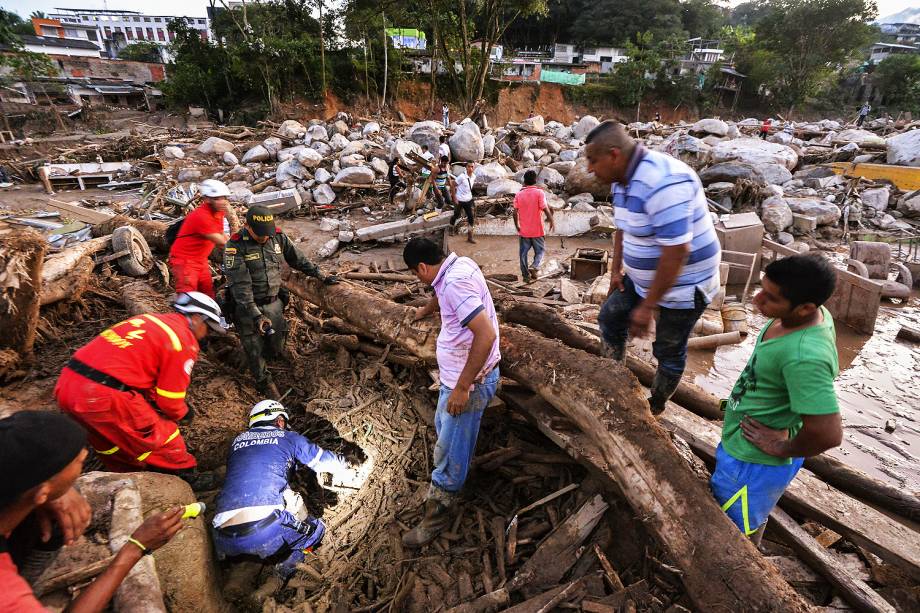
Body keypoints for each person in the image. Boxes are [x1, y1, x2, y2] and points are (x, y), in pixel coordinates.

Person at [586, 121, 720, 414]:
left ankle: (655, 405)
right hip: (641, 278)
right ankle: (613, 384)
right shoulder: (622, 181)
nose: (588, 169)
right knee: (610, 316)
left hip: (685, 284)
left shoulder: (663, 182)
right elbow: (622, 228)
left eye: (592, 160)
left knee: (668, 348)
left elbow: (677, 252)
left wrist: (647, 308)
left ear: (614, 155)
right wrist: (616, 270)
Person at [0, 411, 187, 613]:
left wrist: (56, 493)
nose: (85, 455)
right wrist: (135, 547)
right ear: (40, 491)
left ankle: (28, 583)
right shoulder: (8, 597)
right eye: (77, 461)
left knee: (63, 510)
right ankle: (29, 595)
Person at [711, 254, 842, 543]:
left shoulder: (805, 357)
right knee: (745, 512)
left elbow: (828, 433)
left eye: (770, 298)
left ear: (806, 307)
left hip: (753, 462)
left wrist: (783, 447)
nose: (757, 300)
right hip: (747, 444)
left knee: (732, 527)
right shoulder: (806, 317)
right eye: (761, 288)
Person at [55, 292, 226, 478]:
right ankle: (188, 477)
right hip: (103, 396)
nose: (206, 334)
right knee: (163, 435)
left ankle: (128, 477)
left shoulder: (146, 320)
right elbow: (170, 401)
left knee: (108, 442)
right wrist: (184, 414)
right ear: (196, 318)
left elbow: (136, 366)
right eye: (208, 328)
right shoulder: (182, 341)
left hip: (67, 385)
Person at [402, 238, 500, 547]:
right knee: (447, 434)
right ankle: (451, 478)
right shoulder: (458, 265)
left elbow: (486, 334)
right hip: (457, 379)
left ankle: (436, 517)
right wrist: (426, 310)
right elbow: (441, 294)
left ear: (422, 267)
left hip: (469, 384)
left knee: (449, 453)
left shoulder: (455, 283)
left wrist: (461, 388)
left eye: (416, 274)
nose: (419, 280)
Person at [212, 400, 356, 582]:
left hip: (221, 537)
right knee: (316, 530)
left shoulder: (236, 442)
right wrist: (350, 463)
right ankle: (280, 576)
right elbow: (324, 462)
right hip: (264, 529)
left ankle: (242, 566)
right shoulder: (288, 437)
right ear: (280, 421)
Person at [223, 206, 338, 399]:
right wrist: (256, 315)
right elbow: (241, 287)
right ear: (247, 227)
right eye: (260, 234)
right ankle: (263, 383)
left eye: (267, 233)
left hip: (274, 303)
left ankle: (274, 359)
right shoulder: (235, 247)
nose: (265, 238)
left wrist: (320, 275)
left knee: (276, 341)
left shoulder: (277, 237)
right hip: (247, 307)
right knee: (253, 347)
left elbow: (298, 259)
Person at [168, 179, 231, 298]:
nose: (222, 202)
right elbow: (222, 243)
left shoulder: (218, 212)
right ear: (207, 199)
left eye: (224, 198)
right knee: (188, 297)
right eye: (217, 199)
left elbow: (222, 233)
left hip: (200, 260)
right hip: (185, 261)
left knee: (207, 293)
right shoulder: (201, 216)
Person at [513, 169, 555, 283]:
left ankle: (526, 276)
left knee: (523, 255)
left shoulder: (519, 194)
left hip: (524, 231)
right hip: (537, 230)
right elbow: (545, 208)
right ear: (535, 180)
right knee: (540, 252)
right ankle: (535, 266)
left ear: (524, 181)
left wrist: (517, 226)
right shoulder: (539, 193)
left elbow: (514, 212)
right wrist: (551, 220)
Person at [451, 162, 477, 244]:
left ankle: (470, 237)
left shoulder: (474, 176)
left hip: (468, 200)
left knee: (471, 218)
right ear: (466, 167)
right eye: (469, 167)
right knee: (456, 215)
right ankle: (451, 227)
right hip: (459, 200)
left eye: (472, 167)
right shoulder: (462, 177)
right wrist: (454, 197)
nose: (470, 168)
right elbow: (452, 185)